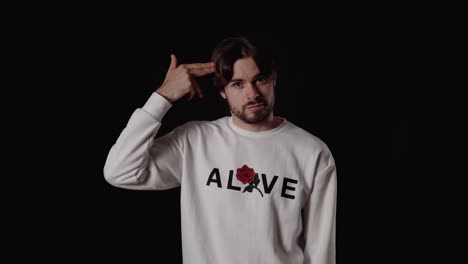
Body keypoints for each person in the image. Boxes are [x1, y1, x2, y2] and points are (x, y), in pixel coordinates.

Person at [104, 36, 337, 264]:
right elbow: (120, 171)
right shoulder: (195, 141)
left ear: (274, 79)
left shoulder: (312, 151)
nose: (252, 93)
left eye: (260, 79)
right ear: (223, 90)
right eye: (238, 84)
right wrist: (162, 97)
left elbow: (320, 249)